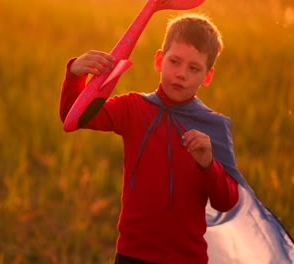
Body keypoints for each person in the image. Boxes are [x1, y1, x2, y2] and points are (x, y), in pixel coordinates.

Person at [59, 14, 239, 264]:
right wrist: (75, 74)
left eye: (194, 68)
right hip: (133, 253)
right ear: (159, 60)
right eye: (174, 61)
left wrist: (208, 164)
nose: (181, 74)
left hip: (187, 257)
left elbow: (227, 201)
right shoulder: (133, 107)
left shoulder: (214, 126)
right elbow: (74, 118)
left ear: (207, 76)